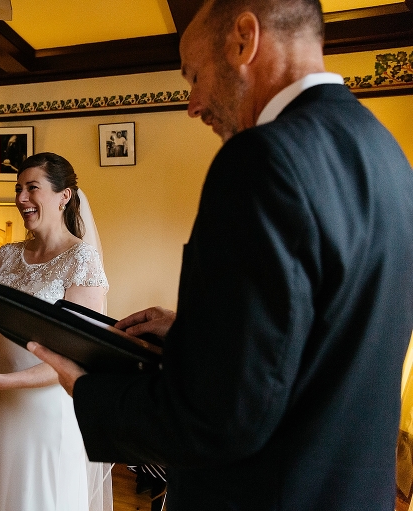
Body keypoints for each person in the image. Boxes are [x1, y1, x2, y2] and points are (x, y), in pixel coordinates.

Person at [29, 1, 413, 510]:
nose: (193, 104)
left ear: (244, 39)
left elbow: (219, 418)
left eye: (194, 76)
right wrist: (200, 331)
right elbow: (329, 336)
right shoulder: (388, 154)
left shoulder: (260, 159)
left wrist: (88, 390)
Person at [0, 152, 113, 511]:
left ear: (64, 196)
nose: (21, 198)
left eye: (32, 188)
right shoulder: (5, 256)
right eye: (18, 189)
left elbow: (76, 358)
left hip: (46, 410)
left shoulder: (81, 260)